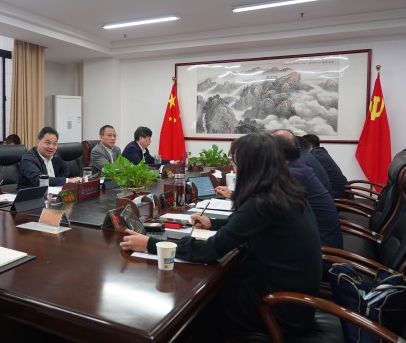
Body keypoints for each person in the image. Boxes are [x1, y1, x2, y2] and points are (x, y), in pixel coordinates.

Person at [121, 133, 321, 340]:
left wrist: (150, 244)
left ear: (249, 166)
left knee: (196, 304)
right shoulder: (281, 191)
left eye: (234, 162)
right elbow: (246, 225)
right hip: (293, 300)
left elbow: (209, 251)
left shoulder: (262, 202)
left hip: (277, 308)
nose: (233, 168)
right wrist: (213, 223)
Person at [271, 130, 343, 250]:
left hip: (323, 250)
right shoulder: (298, 165)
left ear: (275, 152)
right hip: (321, 239)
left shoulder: (292, 174)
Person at [17, 126, 82, 189]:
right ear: (38, 142)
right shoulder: (28, 159)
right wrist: (67, 181)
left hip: (54, 193)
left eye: (54, 143)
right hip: (33, 195)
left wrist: (57, 184)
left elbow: (65, 170)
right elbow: (39, 180)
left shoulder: (55, 156)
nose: (51, 147)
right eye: (48, 143)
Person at [302, 134, 352, 199]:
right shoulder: (321, 152)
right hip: (343, 192)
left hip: (336, 196)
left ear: (310, 145)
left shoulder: (315, 156)